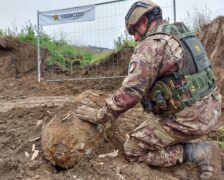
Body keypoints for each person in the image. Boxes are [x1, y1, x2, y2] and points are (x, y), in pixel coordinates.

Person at [76, 0, 222, 179]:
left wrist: (101, 115)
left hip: (191, 118)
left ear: (144, 22)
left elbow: (130, 93)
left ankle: (198, 152)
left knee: (132, 150)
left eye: (134, 31)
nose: (135, 38)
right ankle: (185, 137)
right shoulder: (182, 33)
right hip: (212, 110)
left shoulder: (152, 44)